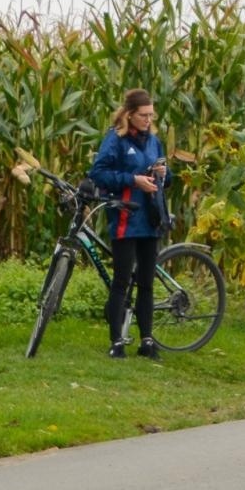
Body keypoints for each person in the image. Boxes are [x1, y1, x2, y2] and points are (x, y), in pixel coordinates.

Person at [89, 88, 170, 360]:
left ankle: (147, 340)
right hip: (125, 219)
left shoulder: (154, 142)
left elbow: (166, 180)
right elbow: (99, 173)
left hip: (150, 219)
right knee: (121, 281)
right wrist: (134, 180)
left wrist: (163, 174)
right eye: (143, 115)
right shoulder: (116, 140)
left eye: (151, 115)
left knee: (146, 282)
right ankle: (116, 342)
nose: (148, 120)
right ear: (130, 115)